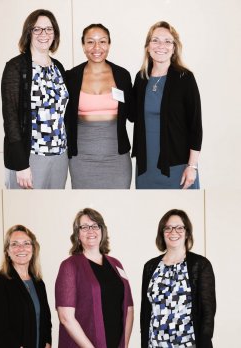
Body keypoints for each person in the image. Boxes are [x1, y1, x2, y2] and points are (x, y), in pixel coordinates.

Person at [2, 9, 69, 189]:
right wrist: (21, 164)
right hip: (30, 157)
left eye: (48, 29)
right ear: (28, 33)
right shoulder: (16, 67)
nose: (43, 34)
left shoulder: (59, 68)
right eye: (37, 29)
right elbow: (10, 118)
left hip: (59, 157)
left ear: (55, 34)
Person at [132, 21, 202, 189]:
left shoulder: (185, 78)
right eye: (155, 40)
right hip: (145, 167)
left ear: (174, 47)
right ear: (148, 47)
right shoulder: (141, 78)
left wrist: (192, 167)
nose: (161, 45)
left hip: (177, 166)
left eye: (167, 41)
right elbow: (131, 114)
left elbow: (195, 127)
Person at [66, 24, 134, 189]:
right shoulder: (71, 76)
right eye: (90, 42)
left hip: (117, 158)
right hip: (81, 159)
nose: (97, 47)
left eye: (102, 42)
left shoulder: (122, 75)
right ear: (83, 46)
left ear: (109, 44)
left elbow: (133, 113)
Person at [55, 208, 134, 347]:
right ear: (77, 234)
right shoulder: (70, 266)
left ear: (102, 230)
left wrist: (125, 345)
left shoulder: (116, 264)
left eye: (95, 226)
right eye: (84, 227)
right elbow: (66, 317)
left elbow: (129, 308)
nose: (90, 230)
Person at [141, 209, 216, 348]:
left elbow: (208, 313)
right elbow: (145, 313)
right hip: (156, 343)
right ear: (162, 233)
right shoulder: (150, 267)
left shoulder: (200, 265)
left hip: (188, 344)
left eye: (179, 228)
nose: (173, 232)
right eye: (168, 228)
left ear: (187, 233)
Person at [0, 225, 52, 348]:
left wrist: (47, 343)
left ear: (33, 249)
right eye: (15, 244)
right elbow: (0, 330)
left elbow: (46, 320)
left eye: (26, 243)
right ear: (7, 251)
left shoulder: (38, 283)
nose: (21, 248)